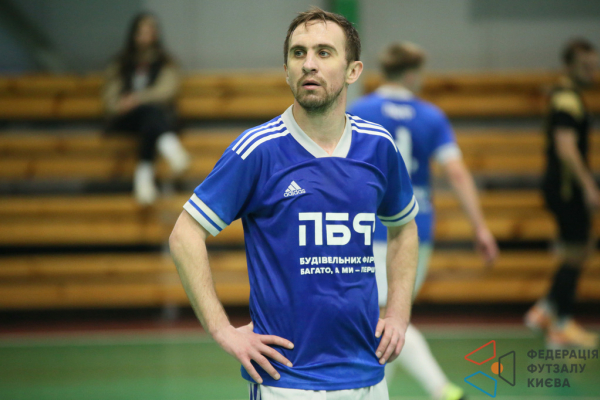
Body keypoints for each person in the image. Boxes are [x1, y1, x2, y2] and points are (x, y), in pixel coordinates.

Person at [169, 8, 419, 399]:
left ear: (353, 71)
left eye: (324, 52)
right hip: (285, 381)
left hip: (368, 376)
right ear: (286, 71)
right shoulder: (258, 150)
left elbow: (403, 228)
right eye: (298, 53)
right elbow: (185, 234)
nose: (309, 64)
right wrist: (222, 330)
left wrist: (399, 315)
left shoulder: (378, 146)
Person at [348, 42, 498, 400]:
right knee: (390, 315)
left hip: (368, 225)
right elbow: (456, 172)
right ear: (414, 74)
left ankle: (437, 389)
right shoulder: (431, 116)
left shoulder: (359, 111)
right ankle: (424, 390)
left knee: (385, 317)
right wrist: (480, 226)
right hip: (417, 228)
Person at [524, 39, 599, 348]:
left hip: (562, 187)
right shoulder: (567, 100)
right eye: (585, 66)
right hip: (566, 188)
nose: (591, 71)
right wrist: (589, 185)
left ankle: (545, 310)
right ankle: (560, 323)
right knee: (577, 251)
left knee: (577, 251)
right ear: (569, 66)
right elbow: (566, 147)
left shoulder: (568, 95)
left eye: (594, 66)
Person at [103, 12, 190, 205]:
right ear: (133, 34)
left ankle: (143, 179)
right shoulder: (120, 63)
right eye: (141, 32)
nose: (145, 37)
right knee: (149, 115)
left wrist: (137, 98)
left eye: (149, 32)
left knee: (149, 115)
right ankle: (171, 148)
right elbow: (110, 99)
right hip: (126, 119)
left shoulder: (165, 62)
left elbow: (167, 91)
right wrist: (122, 104)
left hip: (153, 118)